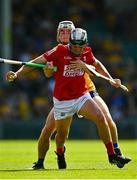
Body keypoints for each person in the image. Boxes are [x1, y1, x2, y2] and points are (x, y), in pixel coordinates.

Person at [6, 27, 131, 169]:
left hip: (81, 96)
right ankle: (59, 153)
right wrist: (17, 74)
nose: (77, 49)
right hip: (62, 101)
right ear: (70, 43)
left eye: (80, 46)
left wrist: (108, 77)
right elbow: (33, 63)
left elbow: (96, 65)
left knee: (101, 117)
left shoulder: (86, 52)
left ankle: (112, 155)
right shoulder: (60, 51)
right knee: (61, 136)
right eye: (74, 46)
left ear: (85, 45)